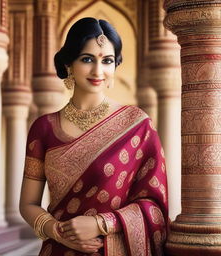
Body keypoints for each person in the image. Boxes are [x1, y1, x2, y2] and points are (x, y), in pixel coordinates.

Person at [19, 17, 168, 256]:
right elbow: (28, 204)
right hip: (59, 249)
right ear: (69, 64)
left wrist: (102, 223)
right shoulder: (43, 128)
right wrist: (59, 232)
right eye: (87, 59)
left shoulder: (137, 124)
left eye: (107, 61)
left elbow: (154, 207)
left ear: (115, 65)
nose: (98, 71)